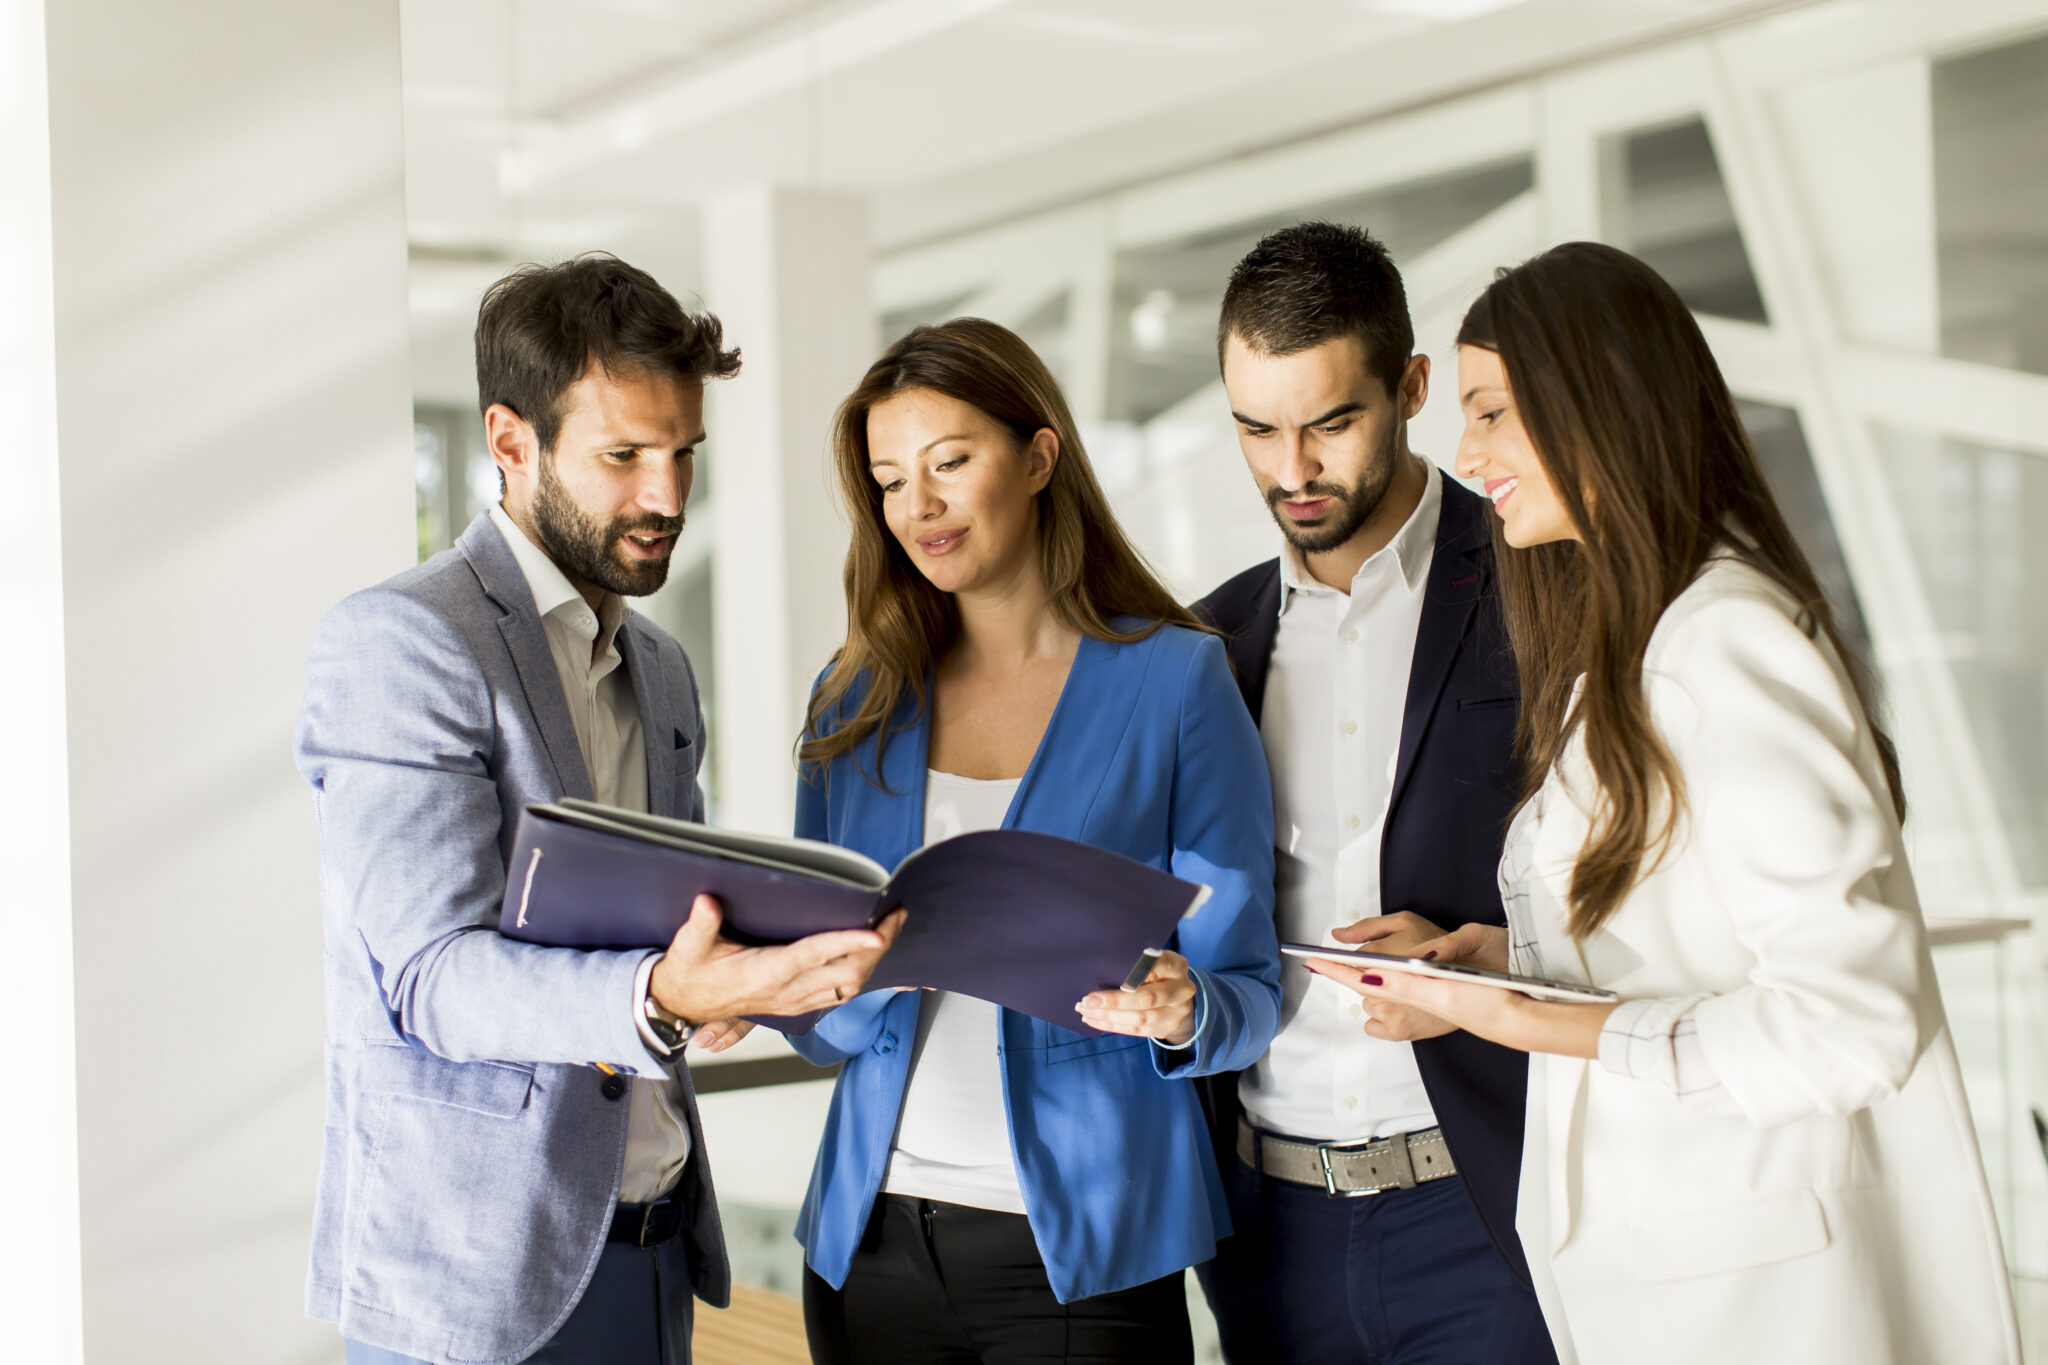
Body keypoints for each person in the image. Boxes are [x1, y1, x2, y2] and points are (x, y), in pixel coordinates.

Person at [1309, 241, 2022, 1364]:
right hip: (1665, 1277)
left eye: (1491, 411)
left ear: (1594, 400)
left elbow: (1852, 1022)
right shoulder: (1636, 651)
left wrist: (1547, 1023)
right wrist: (1497, 969)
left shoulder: (1721, 643)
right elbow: (1685, 937)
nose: (1466, 449)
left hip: (1759, 1296)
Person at [294, 253, 902, 1365]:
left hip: (653, 1242)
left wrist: (738, 982)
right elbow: (433, 980)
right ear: (510, 441)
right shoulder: (403, 644)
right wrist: (663, 991)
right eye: (623, 456)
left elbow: (654, 930)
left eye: (682, 455)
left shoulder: (659, 667)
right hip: (476, 1276)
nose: (666, 497)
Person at [785, 317, 1283, 1364]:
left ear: (1039, 456)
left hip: (1082, 1259)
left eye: (949, 463)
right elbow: (817, 1017)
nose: (914, 505)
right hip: (866, 1243)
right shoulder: (856, 699)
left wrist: (1183, 1009)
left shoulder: (1175, 683)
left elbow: (1244, 990)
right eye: (887, 480)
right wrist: (794, 987)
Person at [1190, 221, 1554, 1364]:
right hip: (1268, 1230)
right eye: (1255, 428)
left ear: (1408, 388)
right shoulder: (1207, 641)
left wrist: (1500, 952)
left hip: (1486, 1212)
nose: (1289, 469)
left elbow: (1644, 879)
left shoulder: (1543, 587)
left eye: (1330, 423)